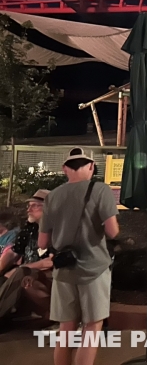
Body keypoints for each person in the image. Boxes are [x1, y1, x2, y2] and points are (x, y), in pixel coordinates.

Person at [38, 147, 119, 365]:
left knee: (66, 329)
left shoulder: (52, 196)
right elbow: (113, 231)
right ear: (91, 166)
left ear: (65, 168)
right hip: (94, 269)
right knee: (92, 328)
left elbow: (42, 242)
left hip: (63, 270)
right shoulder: (101, 190)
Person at [0, 189, 53, 321]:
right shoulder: (30, 228)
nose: (29, 210)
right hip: (27, 272)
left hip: (47, 275)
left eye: (35, 206)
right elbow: (14, 251)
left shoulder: (56, 230)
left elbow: (50, 262)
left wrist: (22, 268)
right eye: (28, 206)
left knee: (20, 273)